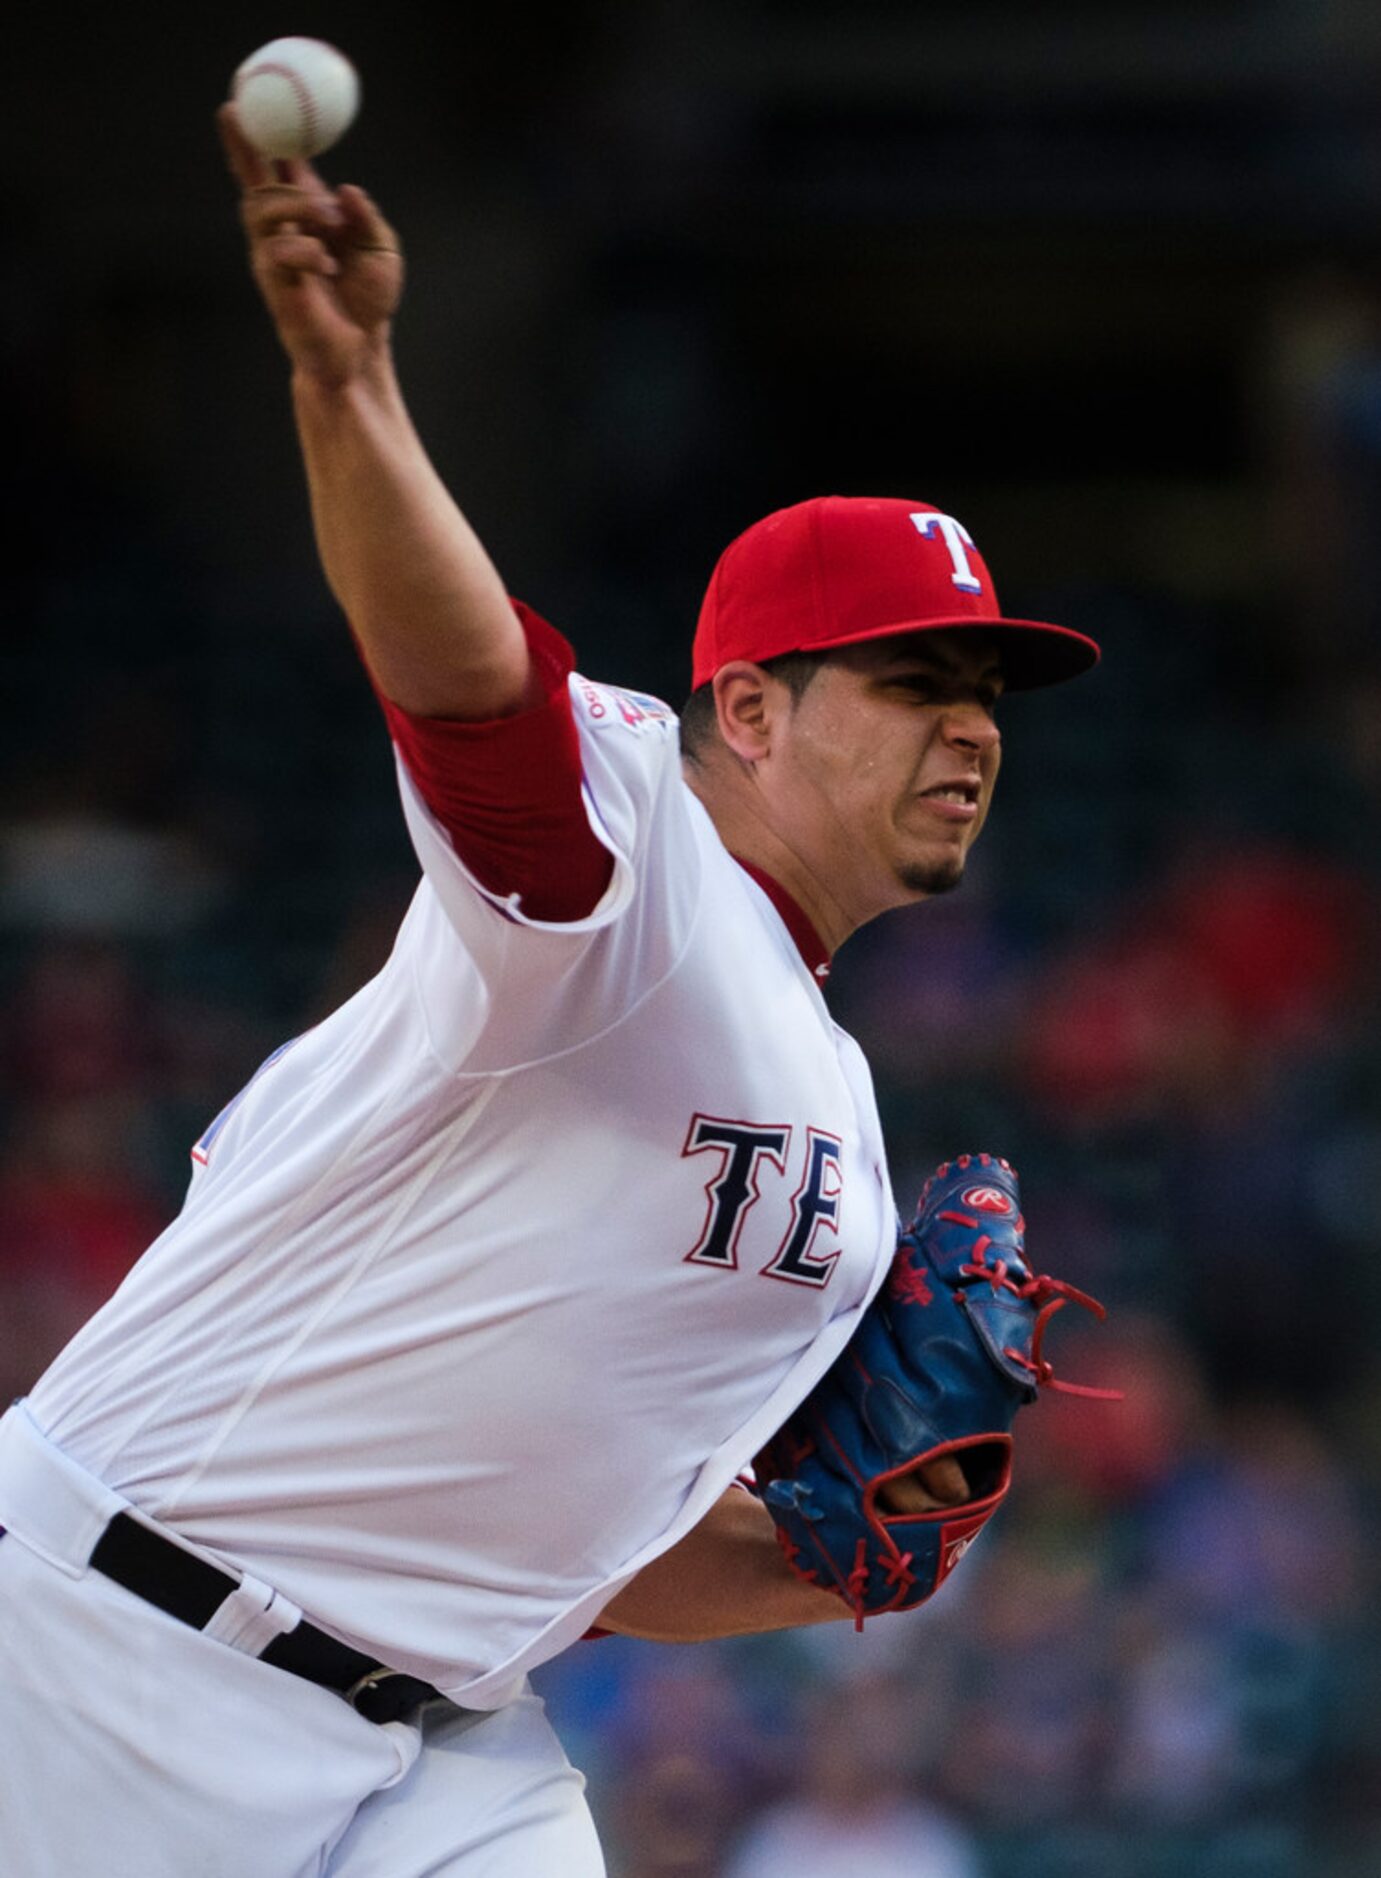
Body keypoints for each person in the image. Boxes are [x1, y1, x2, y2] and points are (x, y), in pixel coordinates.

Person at [0, 109, 1100, 1878]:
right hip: (102, 1656)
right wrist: (349, 389)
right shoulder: (634, 873)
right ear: (748, 709)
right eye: (912, 678)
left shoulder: (836, 1108)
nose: (971, 721)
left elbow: (590, 1559)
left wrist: (838, 1558)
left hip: (451, 1736)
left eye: (985, 685)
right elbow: (467, 692)